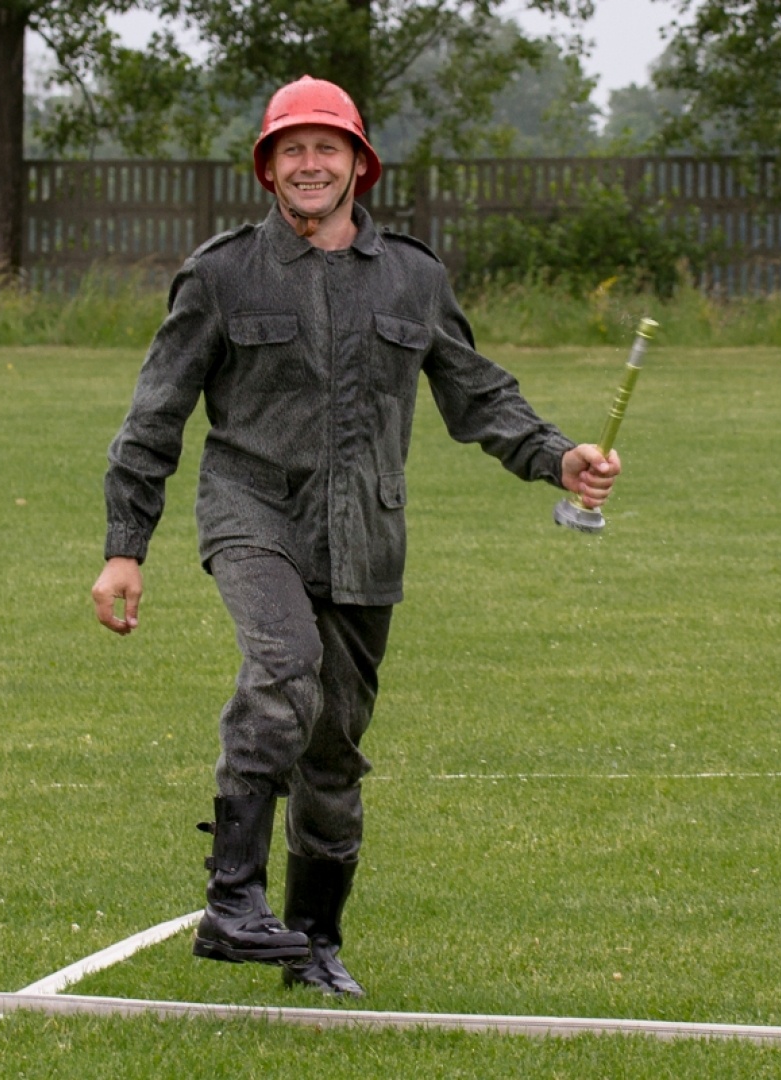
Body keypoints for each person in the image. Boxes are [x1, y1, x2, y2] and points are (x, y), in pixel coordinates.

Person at [89, 75, 620, 996]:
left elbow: (476, 391)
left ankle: (314, 945)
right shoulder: (219, 274)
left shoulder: (414, 277)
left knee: (334, 745)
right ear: (267, 167)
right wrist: (124, 546)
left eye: (325, 147)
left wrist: (553, 456)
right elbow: (154, 416)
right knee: (284, 668)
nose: (308, 163)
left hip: (367, 535)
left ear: (357, 164)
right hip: (252, 511)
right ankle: (231, 899)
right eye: (290, 148)